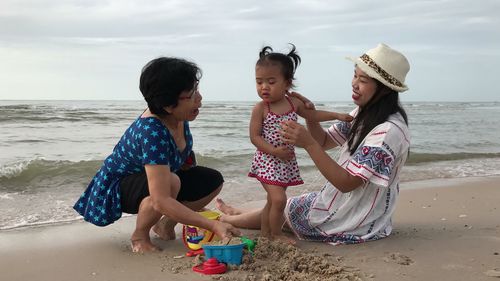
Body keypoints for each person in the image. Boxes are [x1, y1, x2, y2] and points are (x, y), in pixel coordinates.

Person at [217, 43, 411, 244]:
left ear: (385, 90)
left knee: (284, 207)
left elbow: (346, 183)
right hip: (341, 201)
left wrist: (308, 143)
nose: (354, 84)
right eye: (355, 75)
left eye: (362, 80)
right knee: (283, 204)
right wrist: (310, 113)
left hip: (354, 215)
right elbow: (325, 141)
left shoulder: (388, 130)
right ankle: (236, 213)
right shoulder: (364, 114)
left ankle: (229, 218)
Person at [74, 57, 240, 253]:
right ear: (168, 105)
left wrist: (186, 161)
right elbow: (161, 198)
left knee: (211, 180)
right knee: (170, 183)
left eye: (196, 89)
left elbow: (180, 152)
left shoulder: (178, 116)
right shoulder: (151, 130)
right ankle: (139, 236)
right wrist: (211, 225)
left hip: (155, 178)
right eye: (192, 93)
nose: (200, 97)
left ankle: (164, 225)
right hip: (118, 186)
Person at [248, 44, 352, 241]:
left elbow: (313, 115)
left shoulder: (292, 103)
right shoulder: (260, 108)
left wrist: (336, 114)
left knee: (272, 201)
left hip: (285, 162)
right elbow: (255, 137)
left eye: (271, 81)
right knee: (279, 199)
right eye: (259, 82)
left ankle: (265, 234)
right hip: (267, 161)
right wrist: (274, 151)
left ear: (287, 84)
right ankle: (276, 235)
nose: (264, 87)